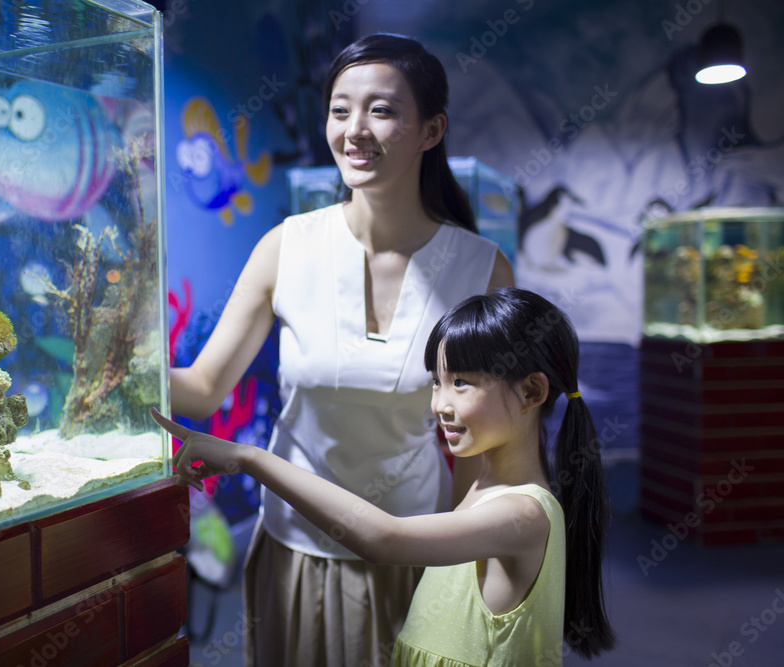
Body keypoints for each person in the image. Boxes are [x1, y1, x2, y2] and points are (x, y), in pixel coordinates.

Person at [170, 33, 514, 666]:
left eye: (381, 109)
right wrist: (119, 368)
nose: (355, 130)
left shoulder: (481, 270)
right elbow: (203, 386)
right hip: (294, 544)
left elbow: (480, 446)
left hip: (415, 542)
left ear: (431, 130)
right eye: (339, 109)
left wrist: (464, 566)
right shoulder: (286, 245)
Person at [158, 288, 616, 666]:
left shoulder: (523, 514)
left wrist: (249, 458)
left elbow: (385, 539)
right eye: (437, 382)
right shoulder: (485, 488)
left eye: (462, 383)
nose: (440, 404)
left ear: (532, 390)